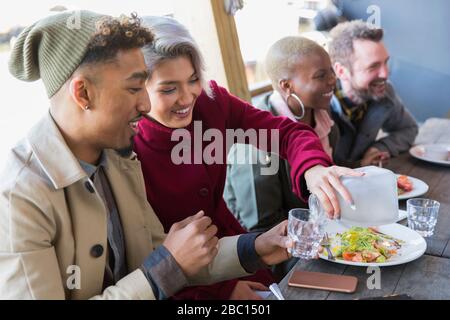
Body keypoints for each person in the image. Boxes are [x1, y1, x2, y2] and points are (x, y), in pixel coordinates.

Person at [0, 11, 292, 300]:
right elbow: (166, 264)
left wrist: (255, 247)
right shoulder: (19, 197)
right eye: (134, 88)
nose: (145, 104)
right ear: (83, 94)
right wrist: (164, 268)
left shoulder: (118, 160)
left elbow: (166, 253)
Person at [133, 16, 361, 298]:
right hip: (186, 286)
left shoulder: (211, 101)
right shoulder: (126, 151)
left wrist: (313, 168)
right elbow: (146, 265)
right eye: (169, 89)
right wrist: (222, 292)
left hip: (241, 250)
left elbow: (286, 133)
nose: (186, 98)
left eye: (192, 80)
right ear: (138, 89)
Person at [224, 36, 338, 234]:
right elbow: (261, 228)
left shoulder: (325, 116)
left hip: (323, 229)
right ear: (286, 86)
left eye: (332, 72)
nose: (332, 80)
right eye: (320, 76)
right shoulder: (255, 144)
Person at [328, 20, 418, 167]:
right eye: (373, 66)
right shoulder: (317, 105)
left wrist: (378, 148)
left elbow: (409, 129)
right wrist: (360, 165)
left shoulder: (385, 92)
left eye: (385, 62)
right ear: (341, 71)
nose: (386, 74)